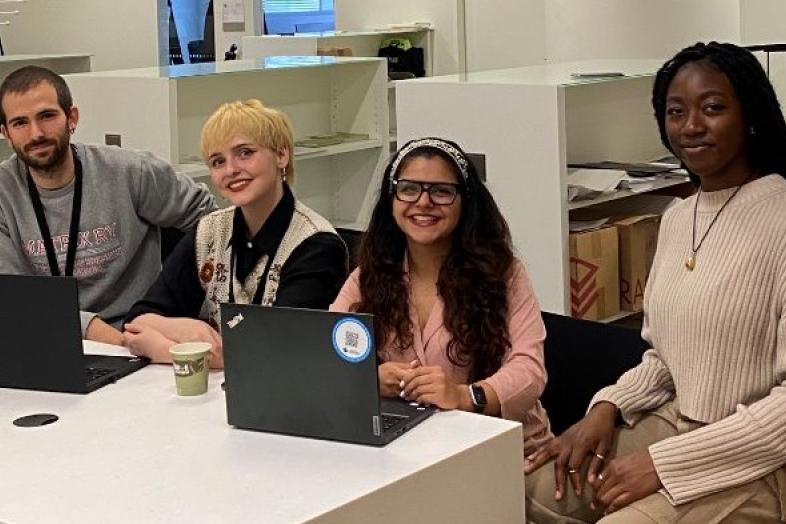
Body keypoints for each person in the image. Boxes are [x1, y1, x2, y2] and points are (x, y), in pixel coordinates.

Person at [525, 41, 786, 523]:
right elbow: (664, 357)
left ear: (750, 115)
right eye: (675, 111)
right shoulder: (676, 216)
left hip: (759, 458)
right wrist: (606, 407)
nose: (691, 126)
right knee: (532, 490)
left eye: (712, 108)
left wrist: (663, 466)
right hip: (674, 422)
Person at [330, 137, 550, 453]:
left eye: (441, 191)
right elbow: (331, 353)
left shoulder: (503, 273)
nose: (423, 202)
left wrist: (465, 396)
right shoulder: (369, 276)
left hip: (507, 448)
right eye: (408, 188)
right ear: (391, 199)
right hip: (410, 447)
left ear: (466, 202)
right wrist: (368, 379)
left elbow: (529, 370)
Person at [123, 99, 347, 369]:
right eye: (218, 161)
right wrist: (184, 331)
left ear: (282, 155)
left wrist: (166, 350)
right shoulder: (208, 231)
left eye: (245, 153)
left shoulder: (317, 245)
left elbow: (276, 350)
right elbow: (137, 321)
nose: (230, 170)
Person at [0, 66, 215, 345]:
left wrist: (183, 300)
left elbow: (213, 221)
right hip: (50, 338)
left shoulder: (129, 172)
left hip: (141, 335)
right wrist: (101, 336)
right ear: (5, 133)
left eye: (47, 116)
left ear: (72, 118)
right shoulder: (5, 193)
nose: (36, 133)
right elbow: (15, 295)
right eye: (20, 123)